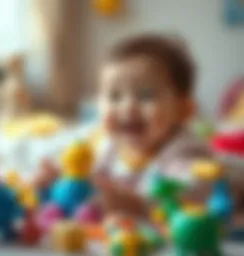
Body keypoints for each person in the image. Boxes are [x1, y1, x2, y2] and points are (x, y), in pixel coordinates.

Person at [91, 34, 213, 217]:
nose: (128, 106)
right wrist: (60, 177)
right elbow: (86, 175)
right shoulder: (108, 145)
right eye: (115, 97)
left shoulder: (185, 151)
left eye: (146, 95)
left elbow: (195, 190)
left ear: (183, 110)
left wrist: (140, 204)